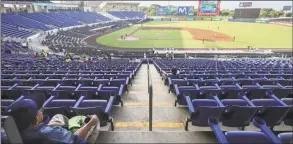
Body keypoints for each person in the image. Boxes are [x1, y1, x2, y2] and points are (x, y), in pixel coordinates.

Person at [4, 99, 100, 144]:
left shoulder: (5, 135)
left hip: (46, 133)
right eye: (39, 110)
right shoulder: (50, 134)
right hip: (64, 138)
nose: (41, 111)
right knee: (95, 120)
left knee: (58, 116)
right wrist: (91, 122)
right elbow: (76, 139)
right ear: (36, 118)